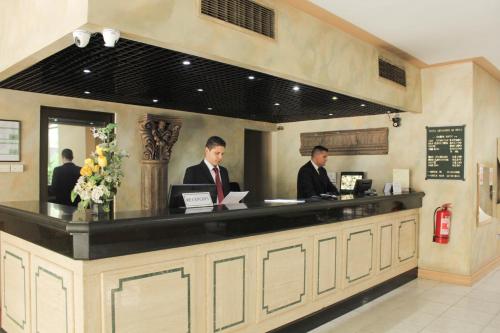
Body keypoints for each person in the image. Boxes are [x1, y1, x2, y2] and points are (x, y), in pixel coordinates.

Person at [183, 136, 230, 204]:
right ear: (207, 150)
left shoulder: (224, 171)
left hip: (225, 213)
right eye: (217, 153)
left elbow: (226, 195)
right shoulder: (192, 172)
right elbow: (187, 200)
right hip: (204, 213)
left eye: (222, 154)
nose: (220, 157)